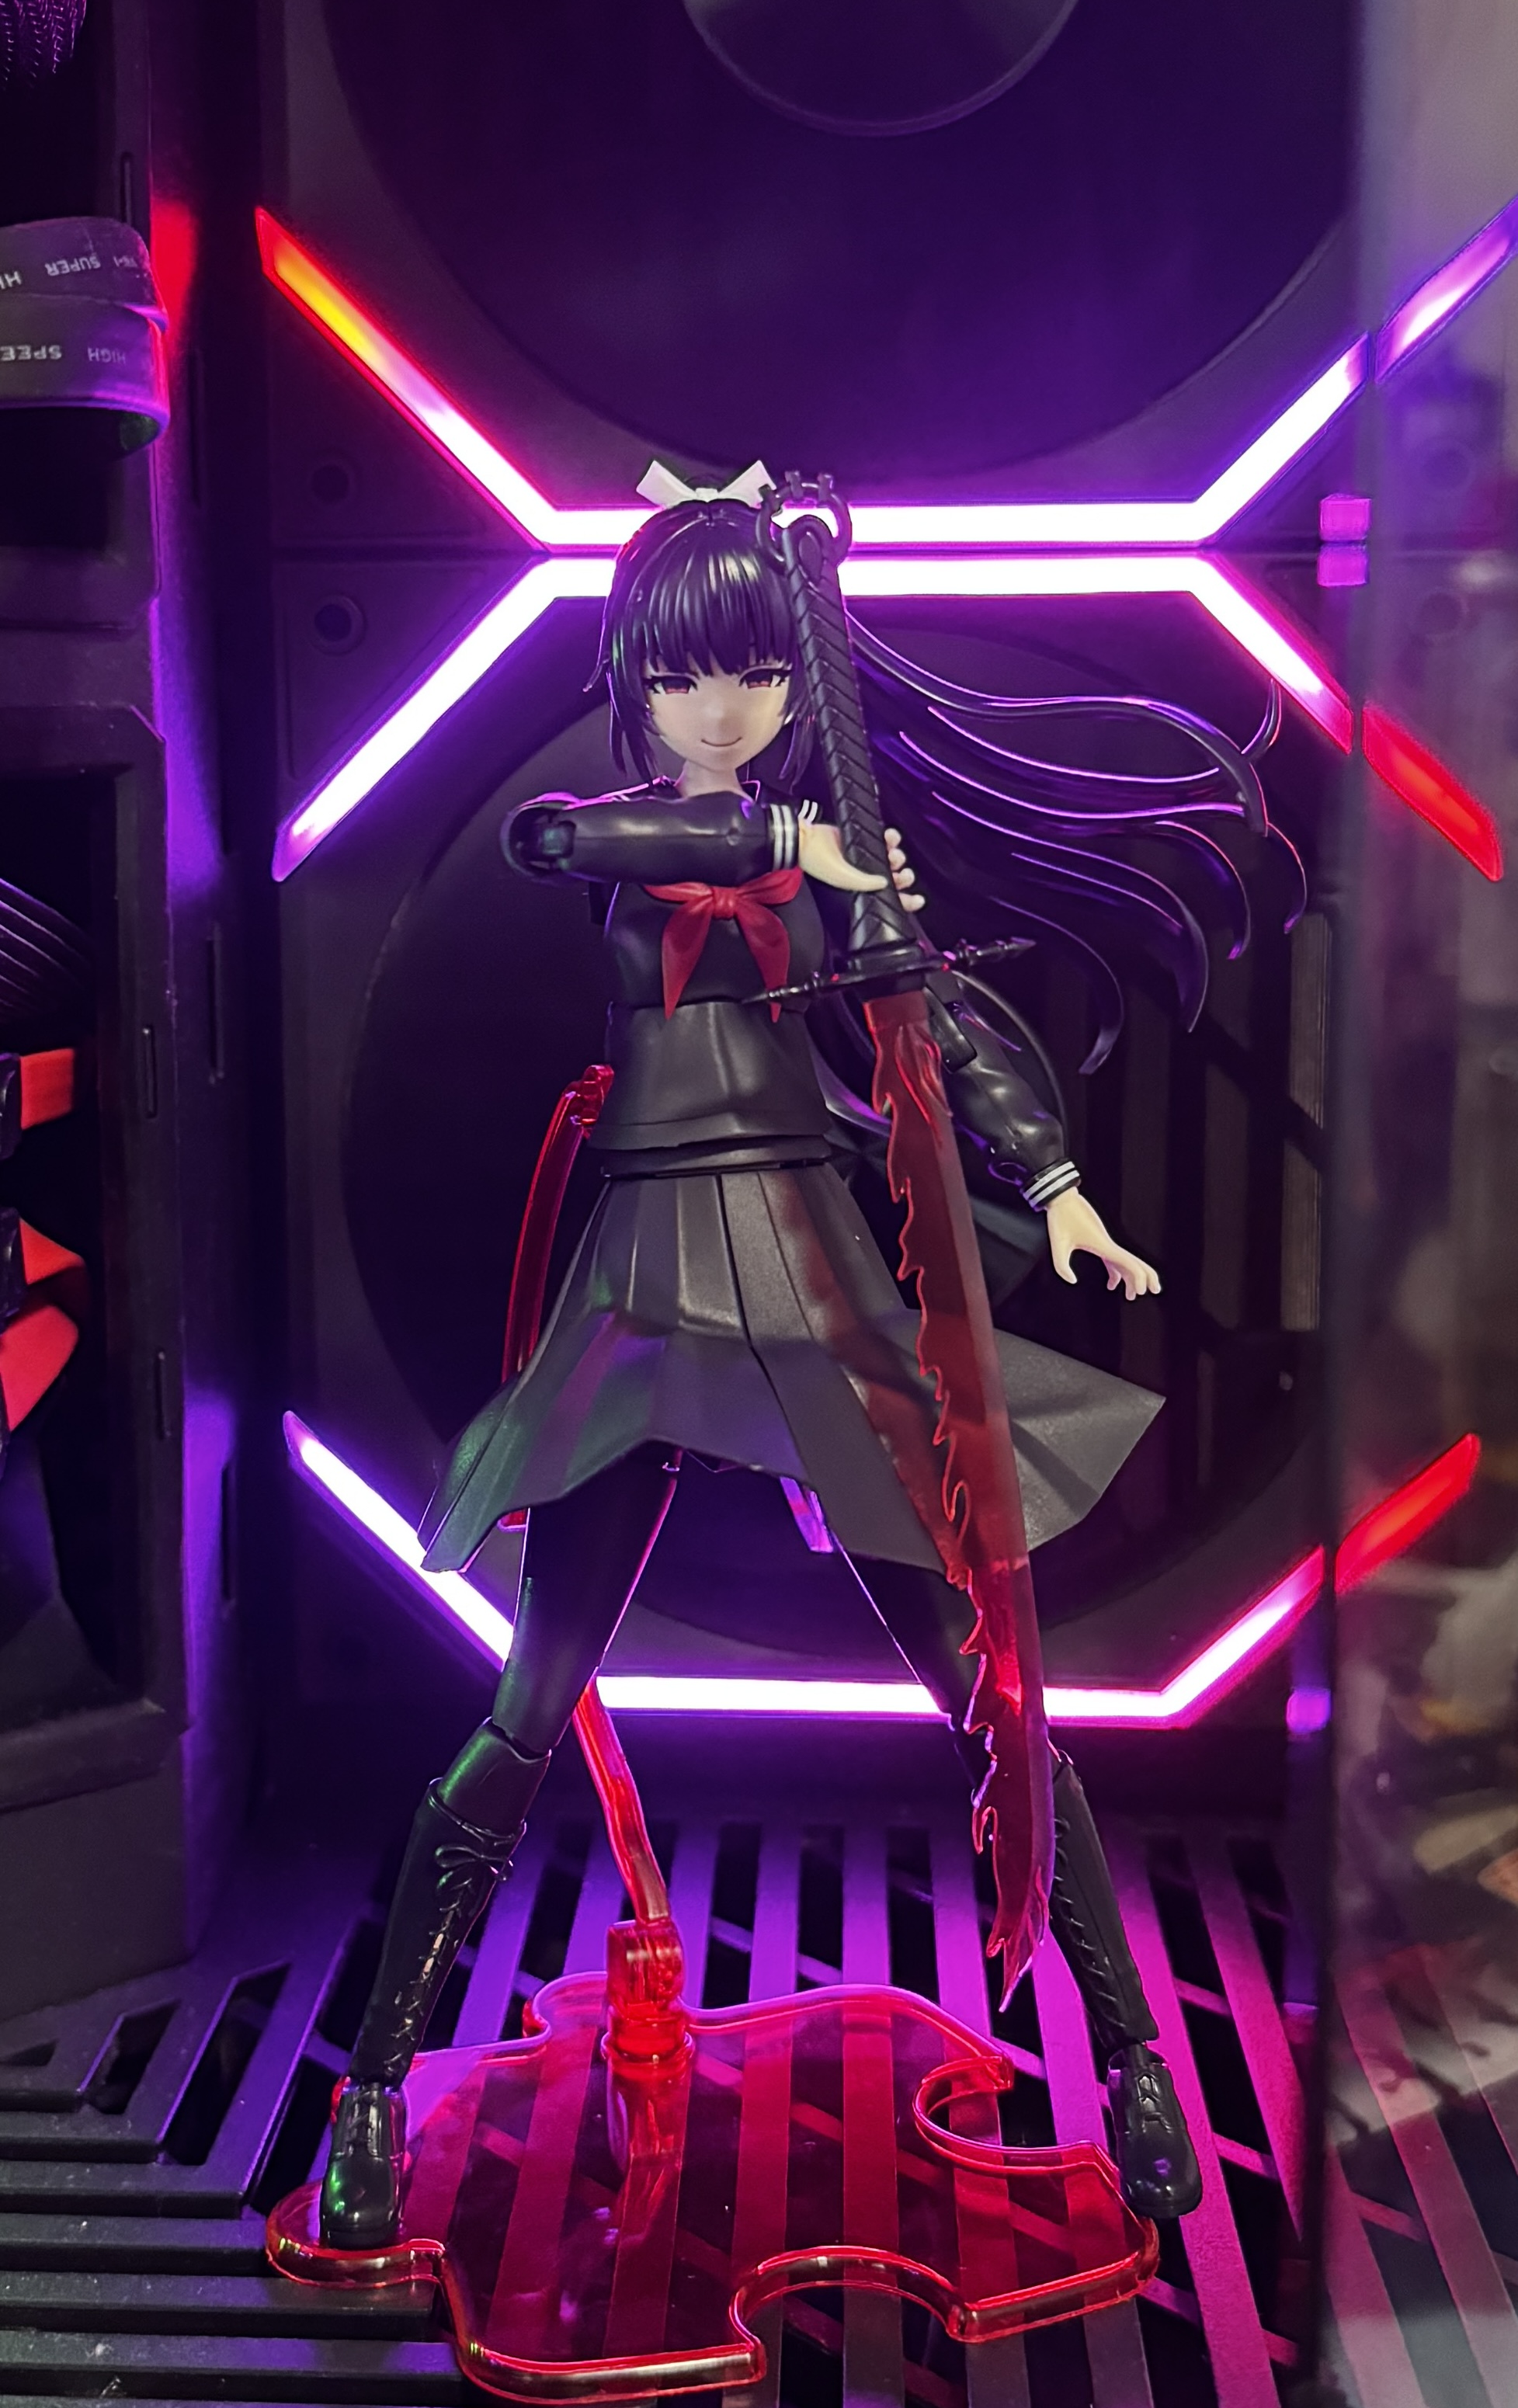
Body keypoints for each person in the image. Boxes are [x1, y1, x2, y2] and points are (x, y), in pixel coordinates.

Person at [318, 467, 1296, 2248]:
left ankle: (1139, 2064)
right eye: (686, 675)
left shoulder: (836, 868)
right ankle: (373, 2088)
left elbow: (948, 1031)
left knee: (993, 1693)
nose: (723, 707)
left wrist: (1058, 1185)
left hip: (812, 1278)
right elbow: (556, 843)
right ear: (635, 675)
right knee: (531, 1701)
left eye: (758, 674)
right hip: (643, 1294)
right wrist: (784, 843)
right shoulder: (637, 834)